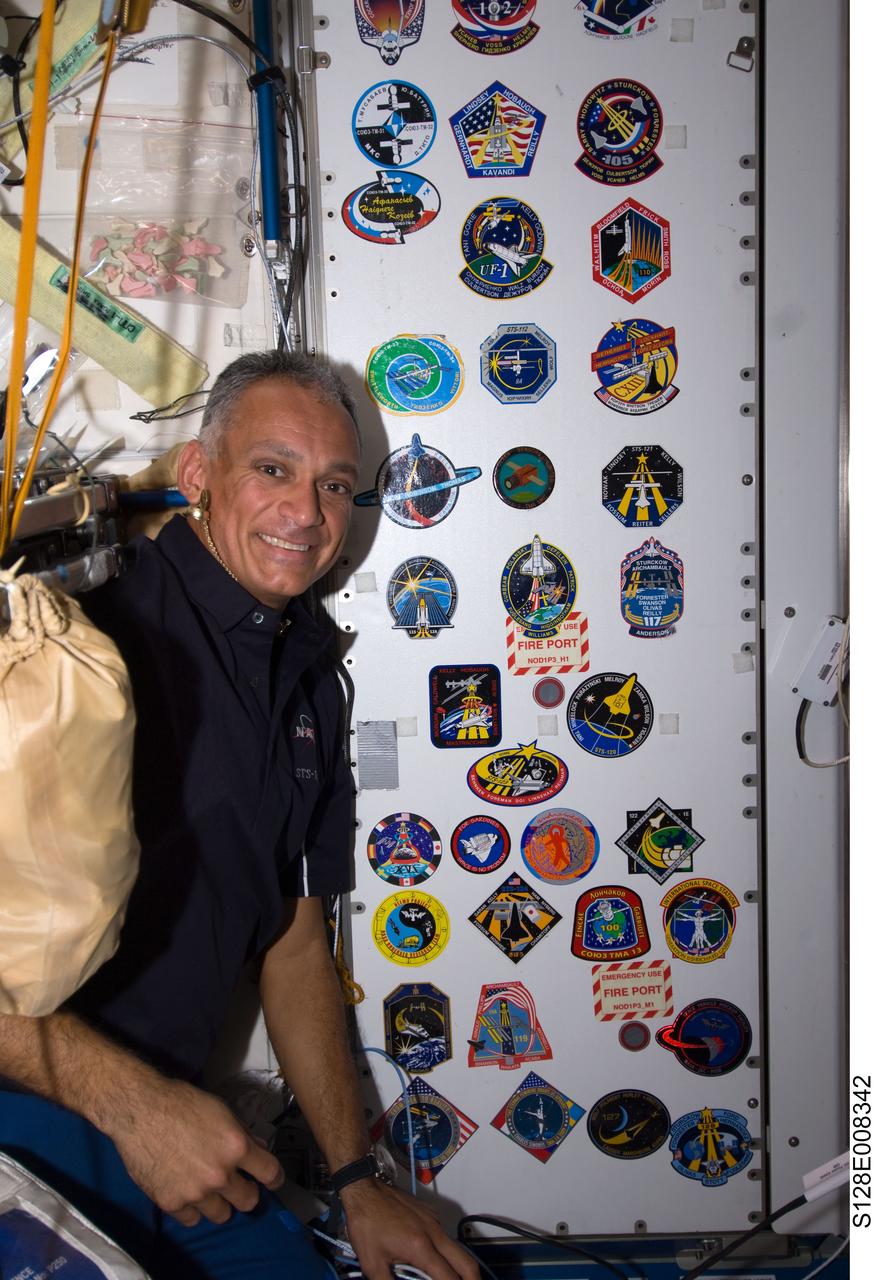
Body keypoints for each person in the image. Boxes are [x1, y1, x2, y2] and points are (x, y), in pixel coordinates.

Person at [0, 351, 480, 1280]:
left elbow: (294, 939)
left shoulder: (307, 673)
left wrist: (357, 1178)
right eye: (272, 470)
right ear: (196, 477)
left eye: (334, 485)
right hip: (33, 1112)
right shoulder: (86, 641)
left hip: (171, 1123)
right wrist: (132, 1106)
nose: (307, 514)